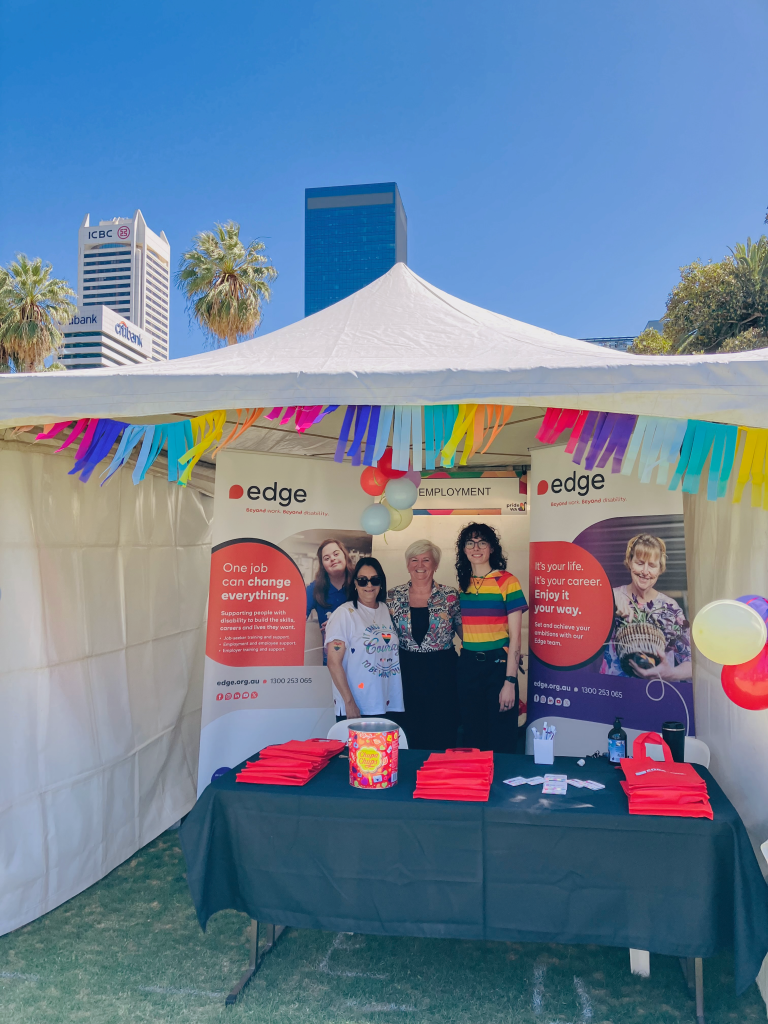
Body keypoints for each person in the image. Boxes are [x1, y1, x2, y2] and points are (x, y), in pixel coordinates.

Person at [455, 522, 528, 753]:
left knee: (501, 736)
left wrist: (510, 681)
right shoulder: (462, 586)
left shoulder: (508, 581)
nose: (476, 547)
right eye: (470, 543)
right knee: (472, 735)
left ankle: (501, 787)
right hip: (467, 665)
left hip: (498, 666)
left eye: (482, 542)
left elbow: (515, 638)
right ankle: (476, 785)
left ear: (492, 548)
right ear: (464, 550)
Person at [387, 540, 463, 749]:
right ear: (407, 564)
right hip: (406, 672)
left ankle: (440, 773)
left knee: (443, 727)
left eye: (426, 560)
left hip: (443, 671)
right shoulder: (392, 597)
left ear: (435, 565)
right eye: (414, 560)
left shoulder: (450, 596)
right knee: (409, 728)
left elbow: (466, 632)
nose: (420, 565)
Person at [602, 533, 692, 680]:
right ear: (630, 562)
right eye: (639, 563)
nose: (645, 571)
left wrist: (672, 674)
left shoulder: (670, 607)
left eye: (652, 565)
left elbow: (691, 662)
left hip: (655, 693)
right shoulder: (611, 596)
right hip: (613, 691)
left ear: (660, 569)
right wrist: (608, 596)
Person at [324, 556, 404, 721]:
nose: (369, 585)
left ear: (381, 583)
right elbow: (333, 662)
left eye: (375, 580)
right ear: (355, 583)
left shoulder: (385, 610)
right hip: (358, 706)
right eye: (362, 580)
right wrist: (349, 702)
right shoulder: (344, 614)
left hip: (388, 703)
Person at [306, 539, 355, 662]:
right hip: (331, 660)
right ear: (322, 565)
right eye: (326, 558)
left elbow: (372, 618)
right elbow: (297, 620)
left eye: (336, 554)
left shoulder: (361, 582)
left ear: (345, 556)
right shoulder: (315, 588)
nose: (332, 559)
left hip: (360, 657)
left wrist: (338, 623)